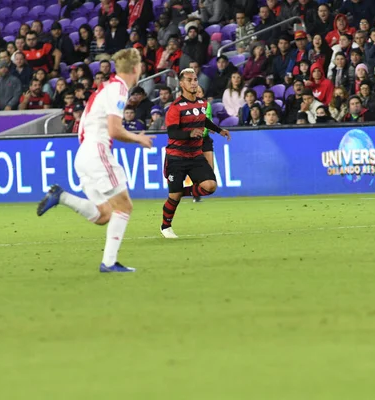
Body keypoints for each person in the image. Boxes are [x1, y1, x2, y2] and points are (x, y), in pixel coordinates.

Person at [36, 48, 155, 273]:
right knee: (124, 206)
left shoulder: (106, 89)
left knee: (104, 215)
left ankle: (61, 196)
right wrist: (138, 138)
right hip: (97, 152)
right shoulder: (119, 89)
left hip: (84, 154)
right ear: (136, 68)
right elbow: (114, 130)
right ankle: (109, 263)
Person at [160, 68, 231, 239]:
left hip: (195, 155)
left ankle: (179, 192)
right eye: (189, 80)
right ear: (182, 84)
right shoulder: (175, 108)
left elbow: (203, 120)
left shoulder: (202, 104)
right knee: (174, 197)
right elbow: (172, 133)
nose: (193, 83)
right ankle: (165, 227)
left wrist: (219, 130)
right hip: (176, 157)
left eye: (195, 80)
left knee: (210, 186)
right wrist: (189, 133)